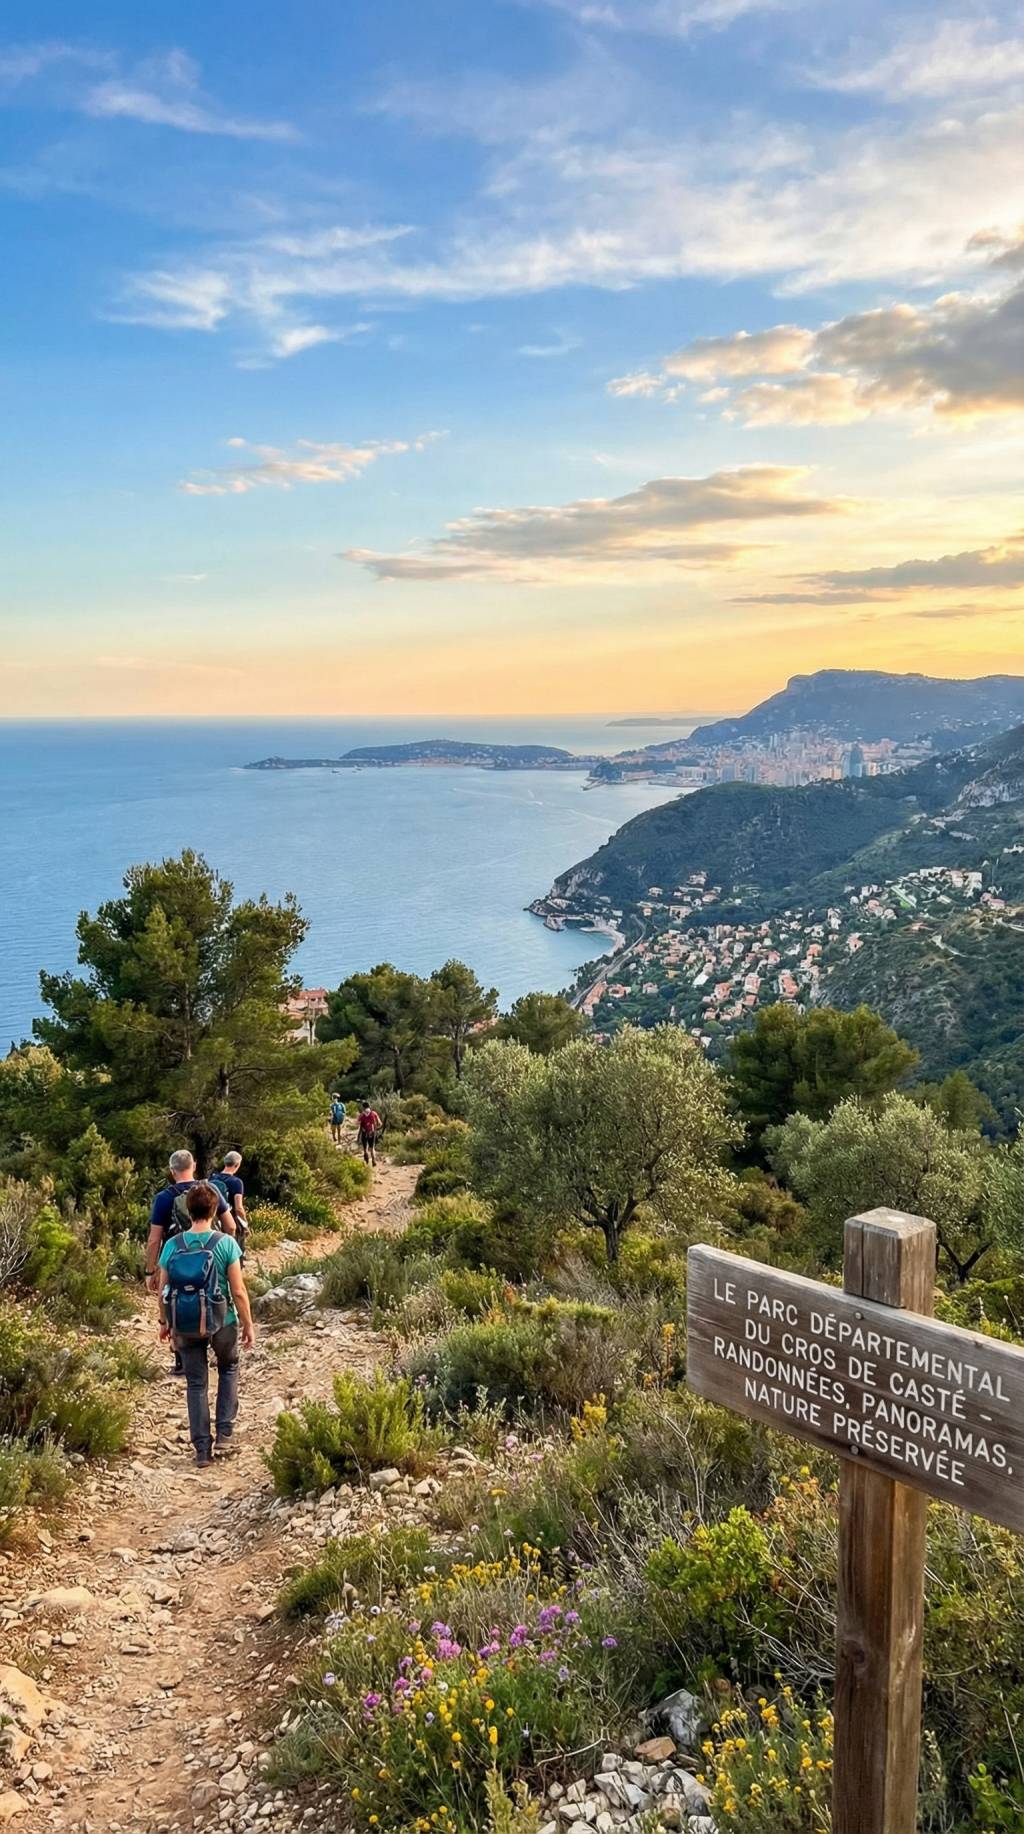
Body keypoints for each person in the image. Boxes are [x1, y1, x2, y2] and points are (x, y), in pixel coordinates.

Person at [157, 1181, 255, 1468]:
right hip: (223, 1320)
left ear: (188, 1211)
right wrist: (248, 1323)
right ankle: (225, 1432)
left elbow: (163, 1290)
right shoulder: (226, 1243)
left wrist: (164, 1322)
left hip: (185, 1322)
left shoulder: (172, 1245)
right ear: (214, 1211)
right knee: (229, 1368)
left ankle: (202, 1449)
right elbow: (238, 1290)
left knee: (196, 1383)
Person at [145, 1150, 234, 1375]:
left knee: (176, 1298)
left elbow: (154, 1239)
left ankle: (183, 1358)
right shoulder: (210, 1190)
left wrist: (150, 1270)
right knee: (211, 1296)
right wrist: (228, 1251)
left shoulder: (164, 1198)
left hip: (177, 1259)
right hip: (211, 1257)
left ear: (172, 1170)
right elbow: (231, 1225)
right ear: (193, 1165)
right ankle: (214, 1339)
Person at [211, 1151, 248, 1259]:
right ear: (237, 1165)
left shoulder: (212, 1179)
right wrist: (245, 1223)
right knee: (234, 1252)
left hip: (214, 1220)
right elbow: (239, 1208)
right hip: (230, 1220)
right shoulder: (236, 1182)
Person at [357, 1099, 381, 1166]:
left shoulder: (362, 1115)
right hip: (372, 1132)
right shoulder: (374, 1113)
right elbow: (380, 1123)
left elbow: (357, 1123)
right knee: (372, 1147)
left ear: (363, 1107)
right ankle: (373, 1161)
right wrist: (376, 1128)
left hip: (364, 1132)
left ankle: (366, 1159)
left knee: (365, 1148)